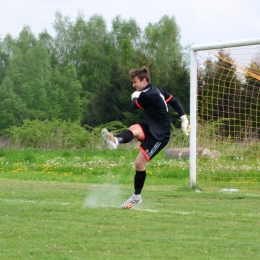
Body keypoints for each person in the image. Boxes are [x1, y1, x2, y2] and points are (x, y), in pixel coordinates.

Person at [101, 66, 190, 209]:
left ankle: (137, 197)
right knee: (134, 128)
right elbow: (173, 100)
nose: (133, 85)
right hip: (153, 128)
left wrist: (134, 96)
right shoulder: (157, 90)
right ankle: (116, 140)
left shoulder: (148, 94)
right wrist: (184, 118)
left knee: (139, 164)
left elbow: (134, 105)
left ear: (144, 80)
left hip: (160, 136)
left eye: (135, 82)